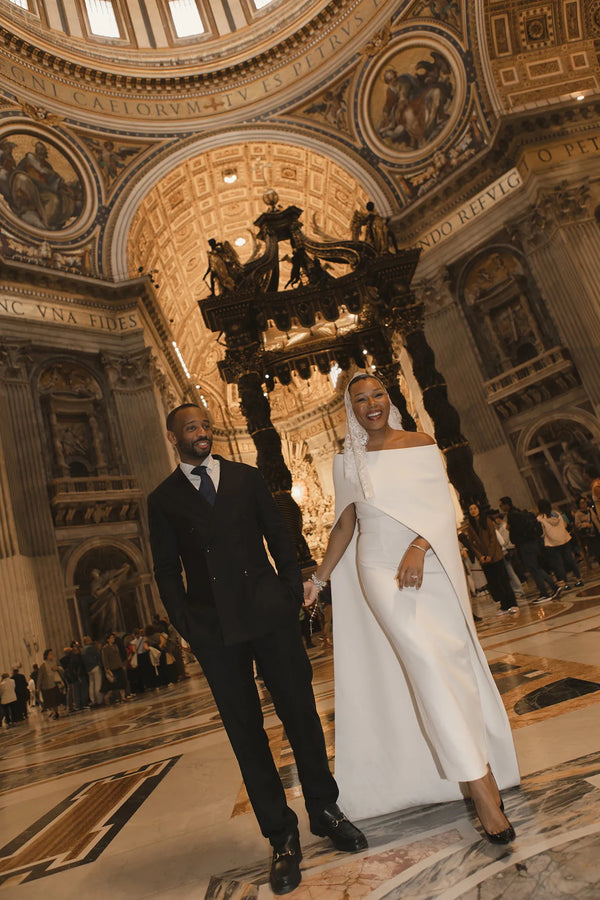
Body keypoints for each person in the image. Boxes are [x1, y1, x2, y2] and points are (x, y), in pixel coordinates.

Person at [147, 403, 367, 895]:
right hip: (215, 630)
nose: (202, 432)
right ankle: (281, 836)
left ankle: (325, 810)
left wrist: (290, 590)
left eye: (206, 425)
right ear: (173, 437)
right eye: (191, 428)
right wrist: (188, 625)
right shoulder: (162, 499)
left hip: (270, 614)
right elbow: (165, 569)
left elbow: (279, 535)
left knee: (301, 715)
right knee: (246, 734)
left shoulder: (245, 478)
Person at [303, 374, 519, 844]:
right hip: (378, 569)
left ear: (389, 398)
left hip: (430, 559)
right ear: (351, 410)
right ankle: (480, 786)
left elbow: (444, 507)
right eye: (360, 399)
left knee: (454, 666)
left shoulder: (420, 444)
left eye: (377, 394)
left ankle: (479, 766)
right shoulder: (346, 461)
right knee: (427, 668)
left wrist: (419, 547)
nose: (371, 404)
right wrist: (318, 580)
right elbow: (344, 526)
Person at [499, 497, 562, 605]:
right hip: (532, 543)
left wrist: (510, 528)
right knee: (536, 567)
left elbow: (514, 530)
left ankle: (544, 593)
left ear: (506, 505)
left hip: (525, 545)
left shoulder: (512, 515)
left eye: (501, 505)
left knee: (533, 568)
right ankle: (554, 587)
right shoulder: (518, 511)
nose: (500, 507)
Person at [464, 504, 519, 615]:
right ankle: (504, 605)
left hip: (495, 556)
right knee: (494, 583)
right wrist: (480, 556)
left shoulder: (486, 520)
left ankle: (513, 604)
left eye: (475, 508)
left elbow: (493, 538)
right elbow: (472, 544)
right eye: (470, 509)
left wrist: (490, 555)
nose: (473, 511)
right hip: (484, 560)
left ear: (478, 509)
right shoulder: (470, 526)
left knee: (503, 581)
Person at [537, 499, 584, 589]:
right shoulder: (556, 514)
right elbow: (564, 525)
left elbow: (542, 533)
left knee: (559, 564)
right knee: (570, 560)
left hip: (552, 543)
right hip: (564, 539)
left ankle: (565, 584)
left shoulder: (540, 518)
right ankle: (579, 579)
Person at [101, 633, 129, 704]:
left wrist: (121, 664)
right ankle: (107, 697)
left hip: (118, 666)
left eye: (113, 638)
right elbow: (105, 659)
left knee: (122, 682)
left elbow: (118, 656)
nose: (113, 639)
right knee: (113, 685)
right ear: (108, 639)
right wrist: (107, 668)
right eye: (111, 638)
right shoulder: (105, 648)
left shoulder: (115, 646)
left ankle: (123, 696)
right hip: (112, 668)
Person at [37, 649, 62, 719]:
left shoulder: (54, 662)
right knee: (51, 701)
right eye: (50, 654)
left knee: (55, 700)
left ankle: (56, 711)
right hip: (47, 685)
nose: (52, 655)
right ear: (46, 656)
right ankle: (54, 712)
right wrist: (38, 687)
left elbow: (60, 669)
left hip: (55, 683)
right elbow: (40, 677)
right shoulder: (43, 665)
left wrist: (57, 668)